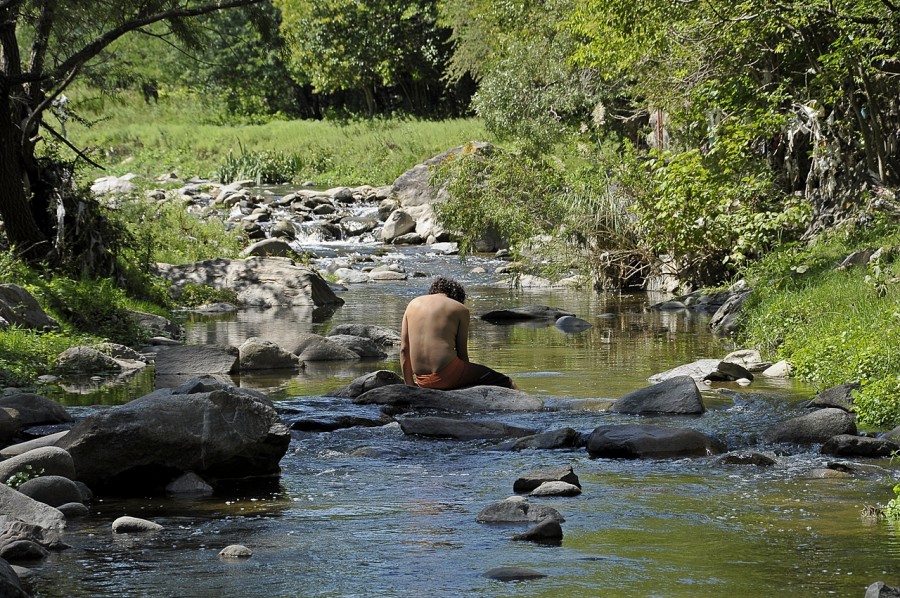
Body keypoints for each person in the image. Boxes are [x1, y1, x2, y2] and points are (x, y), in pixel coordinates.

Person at [400, 276, 515, 390]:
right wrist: (466, 382)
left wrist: (409, 385)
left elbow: (404, 349)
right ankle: (526, 402)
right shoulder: (460, 309)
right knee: (505, 381)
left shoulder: (412, 304)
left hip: (422, 380)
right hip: (448, 376)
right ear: (457, 296)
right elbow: (462, 353)